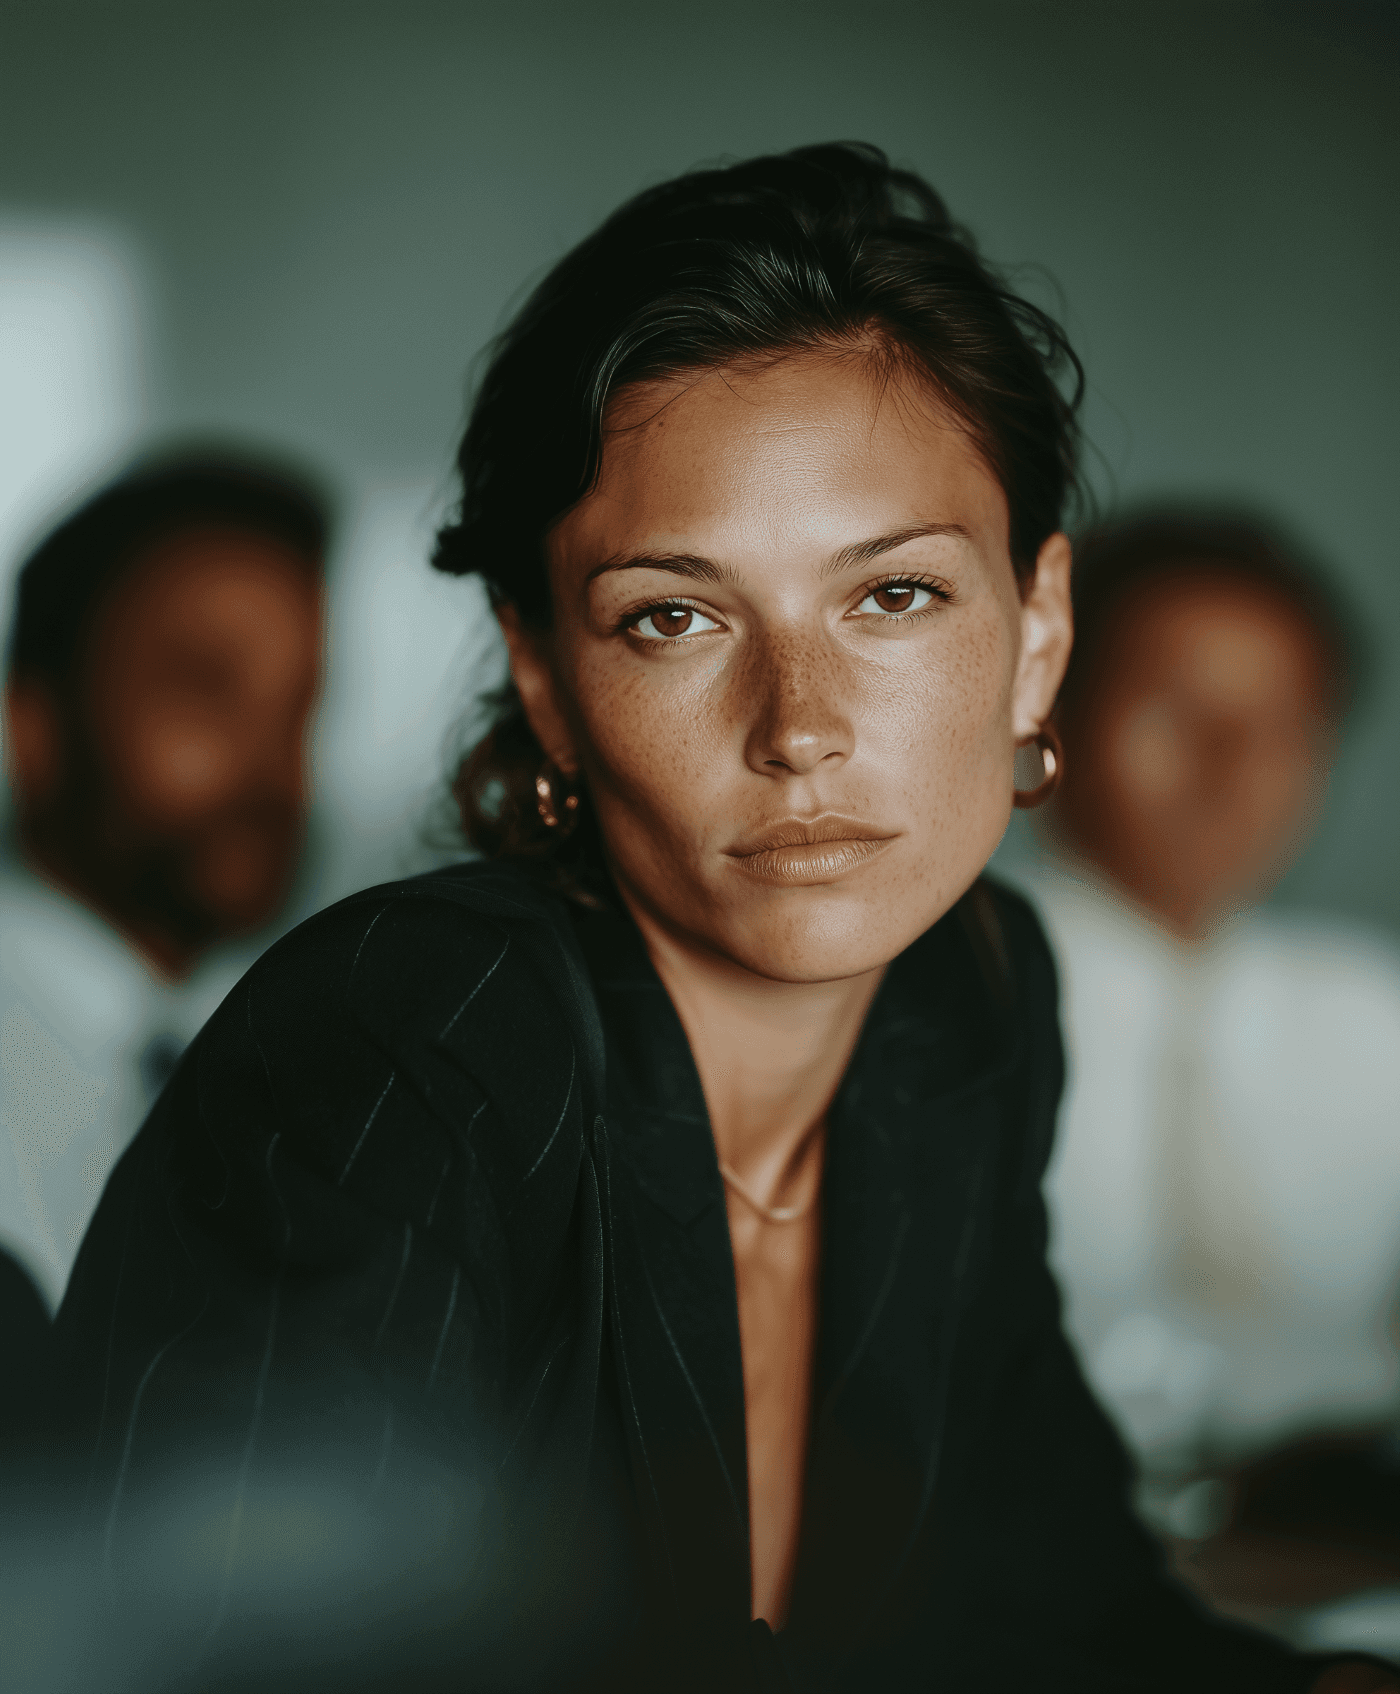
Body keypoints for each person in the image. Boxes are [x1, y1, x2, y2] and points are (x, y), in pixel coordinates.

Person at [49, 148, 1394, 1693]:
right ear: (548, 680)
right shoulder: (416, 1033)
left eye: (891, 596)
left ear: (1038, 641)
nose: (799, 726)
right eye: (671, 616)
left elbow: (1059, 1599)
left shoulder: (964, 1006)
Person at [1016, 515, 1400, 1557]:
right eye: (1173, 709)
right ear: (1047, 710)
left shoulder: (1370, 1011)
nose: (1230, 766)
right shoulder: (942, 995)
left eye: (1280, 724)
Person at [1, 452, 329, 1324]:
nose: (271, 769)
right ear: (31, 725)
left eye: (297, 706)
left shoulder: (306, 1071)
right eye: (204, 689)